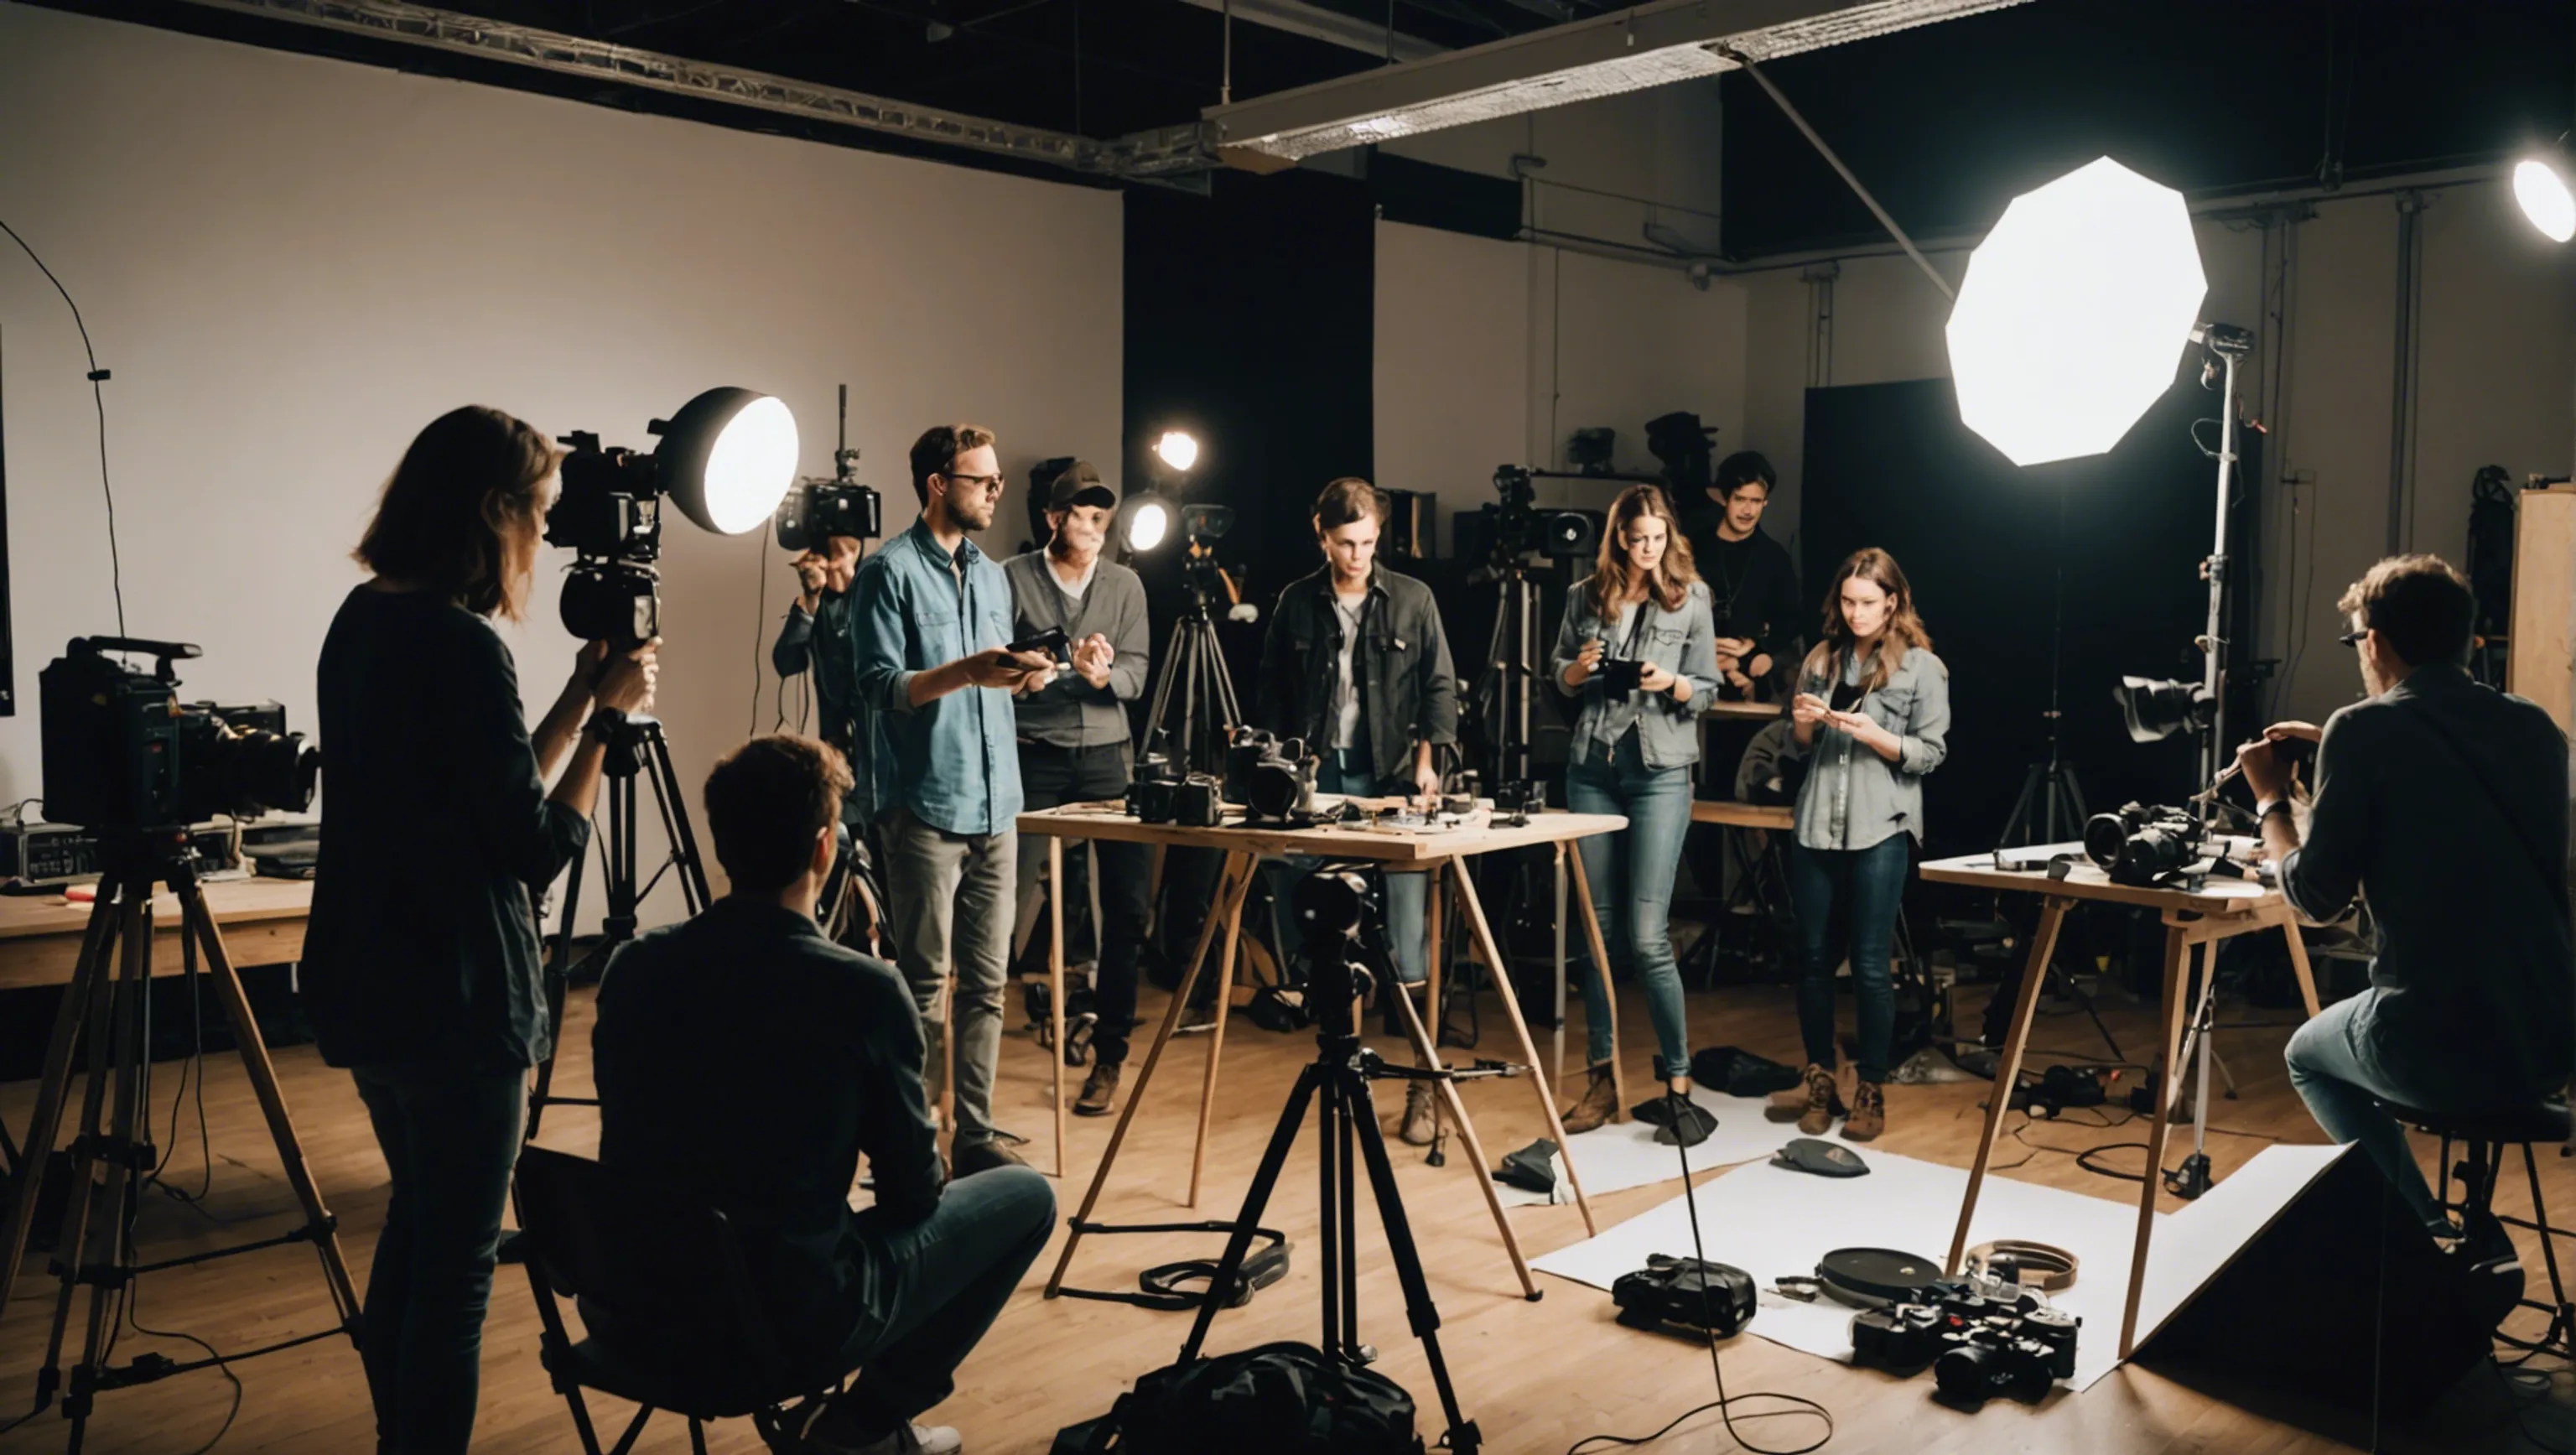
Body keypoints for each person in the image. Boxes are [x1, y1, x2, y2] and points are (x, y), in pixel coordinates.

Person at [304, 405, 657, 1455]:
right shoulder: (461, 646)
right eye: (540, 516)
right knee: (455, 1278)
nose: (546, 540)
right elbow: (536, 845)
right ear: (492, 510)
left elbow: (488, 788)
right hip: (458, 1000)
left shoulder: (362, 617)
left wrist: (573, 695)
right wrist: (608, 726)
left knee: (417, 1231)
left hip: (370, 985)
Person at [595, 735, 1054, 1455]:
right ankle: (862, 1425)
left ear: (722, 844)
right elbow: (911, 1197)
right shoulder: (861, 989)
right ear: (823, 848)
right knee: (1027, 1197)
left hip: (633, 1304)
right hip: (778, 1322)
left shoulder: (633, 966)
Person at [2237, 554, 2573, 1236]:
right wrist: (2330, 747)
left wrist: (2272, 799)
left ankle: (2426, 1232)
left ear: (2375, 642)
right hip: (2548, 1041)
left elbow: (2315, 898)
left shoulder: (2363, 729)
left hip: (2436, 1041)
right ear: (2468, 640)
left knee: (2305, 1055)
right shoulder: (2538, 729)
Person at [853, 424, 1058, 1176]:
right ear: (939, 484)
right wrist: (965, 671)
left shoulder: (996, 576)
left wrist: (1030, 674)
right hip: (926, 808)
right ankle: (912, 1144)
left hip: (998, 802)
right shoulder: (889, 573)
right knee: (923, 988)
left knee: (987, 985)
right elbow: (877, 687)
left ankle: (975, 1134)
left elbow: (998, 680)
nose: (997, 491)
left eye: (998, 479)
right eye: (984, 480)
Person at [1257, 476, 1458, 1145]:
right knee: (1318, 920)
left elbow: (1437, 686)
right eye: (1345, 543)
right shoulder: (1295, 602)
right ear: (1322, 535)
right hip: (1321, 776)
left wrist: (1430, 761)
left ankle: (1422, 1088)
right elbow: (1275, 698)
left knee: (1405, 935)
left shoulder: (1414, 599)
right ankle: (1344, 1070)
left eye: (1369, 543)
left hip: (1393, 773)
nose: (1357, 556)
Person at [1550, 484, 1724, 1135]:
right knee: (1596, 933)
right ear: (1618, 536)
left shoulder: (1692, 596)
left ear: (1667, 535)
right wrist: (1578, 669)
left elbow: (1705, 687)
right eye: (1636, 538)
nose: (1647, 550)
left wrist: (1670, 681)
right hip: (1593, 766)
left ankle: (1678, 1083)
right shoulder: (1582, 595)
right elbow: (1558, 673)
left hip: (1661, 770)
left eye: (1657, 538)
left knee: (1647, 936)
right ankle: (1601, 1080)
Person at [1768, 547, 1949, 1143]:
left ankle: (1871, 1087)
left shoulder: (1923, 667)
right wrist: (1801, 725)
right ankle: (1821, 1076)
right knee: (1813, 960)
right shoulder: (1822, 659)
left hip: (1882, 825)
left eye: (1868, 602)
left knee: (1871, 965)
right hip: (1817, 822)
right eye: (1847, 601)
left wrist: (1879, 736)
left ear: (1892, 601)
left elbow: (1931, 753)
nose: (1856, 613)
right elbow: (1796, 750)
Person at [1003, 461, 1151, 1117]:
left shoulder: (1125, 584)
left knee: (1126, 907)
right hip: (1034, 757)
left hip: (1107, 761)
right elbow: (990, 659)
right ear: (1052, 518)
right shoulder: (1010, 577)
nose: (1090, 529)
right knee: (1003, 897)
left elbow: (1140, 671)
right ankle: (978, 1057)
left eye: (1100, 519)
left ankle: (1110, 1054)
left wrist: (1104, 675)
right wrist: (1026, 674)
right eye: (1079, 516)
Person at [1679, 450, 1801, 700]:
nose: (1748, 510)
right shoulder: (1692, 550)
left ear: (1765, 501)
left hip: (1750, 671)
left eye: (1756, 501)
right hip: (1690, 666)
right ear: (1725, 499)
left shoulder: (1775, 558)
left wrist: (1758, 650)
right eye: (1740, 499)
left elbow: (1791, 621)